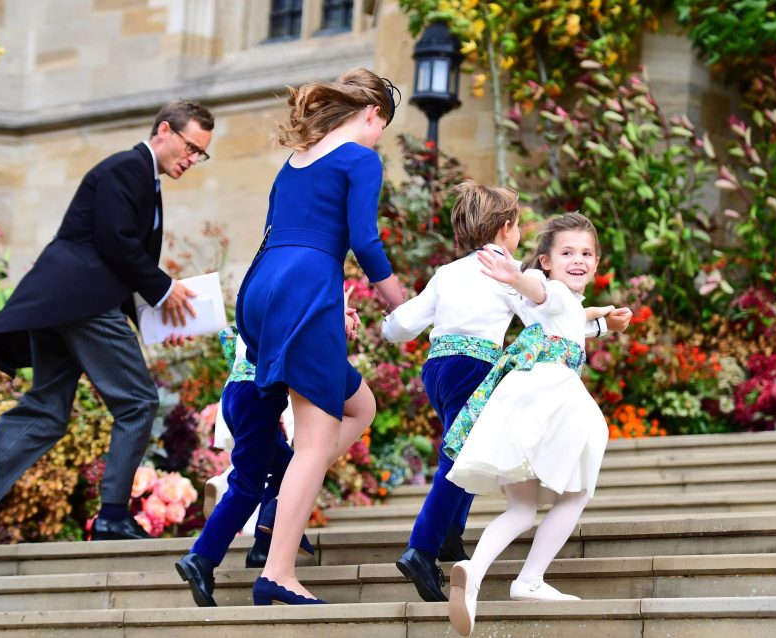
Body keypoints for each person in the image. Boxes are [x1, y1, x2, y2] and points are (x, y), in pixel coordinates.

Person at [0, 100, 214, 578]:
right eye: (191, 147)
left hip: (62, 303)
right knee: (138, 402)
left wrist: (153, 317)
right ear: (164, 130)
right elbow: (114, 241)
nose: (192, 158)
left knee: (45, 410)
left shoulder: (142, 178)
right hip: (82, 301)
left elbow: (114, 252)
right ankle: (112, 517)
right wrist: (164, 289)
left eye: (201, 154)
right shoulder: (128, 166)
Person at [381, 182, 631, 602]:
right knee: (458, 454)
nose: (520, 237)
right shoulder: (505, 269)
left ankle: (448, 536)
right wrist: (599, 323)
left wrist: (387, 326)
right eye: (517, 226)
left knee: (462, 443)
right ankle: (422, 549)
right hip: (476, 367)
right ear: (505, 227)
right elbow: (547, 317)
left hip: (437, 367)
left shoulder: (448, 272)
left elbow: (403, 325)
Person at [234, 68, 404, 606]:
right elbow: (364, 240)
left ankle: (281, 506)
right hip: (306, 288)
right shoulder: (360, 157)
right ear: (373, 114)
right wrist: (402, 302)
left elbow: (282, 235)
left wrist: (330, 310)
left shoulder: (294, 163)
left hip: (262, 290)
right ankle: (278, 571)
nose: (379, 137)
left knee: (360, 407)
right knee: (313, 442)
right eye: (383, 127)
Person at [443, 213, 622, 636]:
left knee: (521, 508)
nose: (578, 260)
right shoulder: (552, 291)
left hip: (520, 399)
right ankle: (530, 579)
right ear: (545, 260)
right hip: (554, 398)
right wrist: (515, 275)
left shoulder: (564, 305)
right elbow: (546, 296)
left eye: (586, 253)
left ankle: (474, 570)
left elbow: (570, 319)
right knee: (576, 492)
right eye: (567, 253)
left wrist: (603, 322)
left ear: (596, 262)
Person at [174, 292, 360, 607]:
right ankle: (201, 558)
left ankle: (264, 544)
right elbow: (300, 339)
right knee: (247, 486)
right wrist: (334, 318)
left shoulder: (269, 285)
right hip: (256, 397)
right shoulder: (296, 289)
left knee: (290, 466)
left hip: (240, 392)